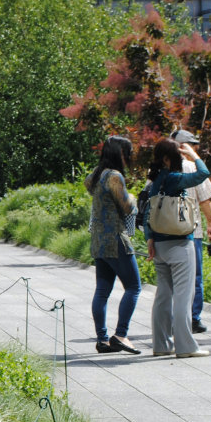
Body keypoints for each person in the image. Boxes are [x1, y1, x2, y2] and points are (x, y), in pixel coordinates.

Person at [145, 138, 211, 358]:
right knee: (184, 296)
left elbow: (148, 212)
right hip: (181, 243)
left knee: (163, 296)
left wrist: (150, 240)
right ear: (168, 158)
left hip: (160, 244)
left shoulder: (154, 180)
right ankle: (186, 347)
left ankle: (161, 344)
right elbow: (203, 174)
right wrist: (194, 155)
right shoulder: (174, 178)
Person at [85, 136, 142, 354]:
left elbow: (89, 185)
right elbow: (127, 207)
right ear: (120, 153)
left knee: (102, 291)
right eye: (128, 153)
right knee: (134, 287)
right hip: (115, 239)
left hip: (98, 240)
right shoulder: (114, 177)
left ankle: (102, 339)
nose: (129, 157)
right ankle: (120, 334)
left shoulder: (96, 175)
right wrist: (134, 198)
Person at [170, 129, 211, 334]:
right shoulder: (192, 168)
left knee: (170, 278)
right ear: (184, 147)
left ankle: (173, 317)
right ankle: (194, 318)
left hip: (166, 232)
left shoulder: (158, 169)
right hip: (192, 231)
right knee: (195, 276)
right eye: (192, 146)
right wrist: (210, 224)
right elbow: (205, 200)